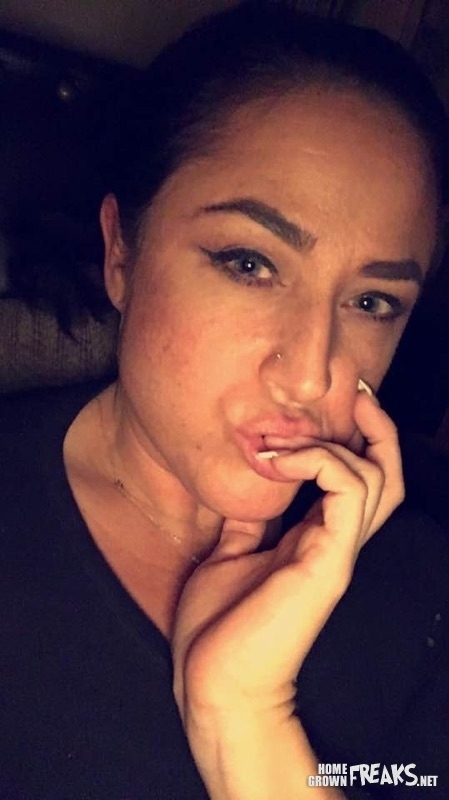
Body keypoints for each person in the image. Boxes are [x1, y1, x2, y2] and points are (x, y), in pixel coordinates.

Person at [1, 2, 449, 798]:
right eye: (248, 264)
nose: (309, 377)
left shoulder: (422, 590)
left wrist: (243, 719)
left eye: (371, 302)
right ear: (121, 253)